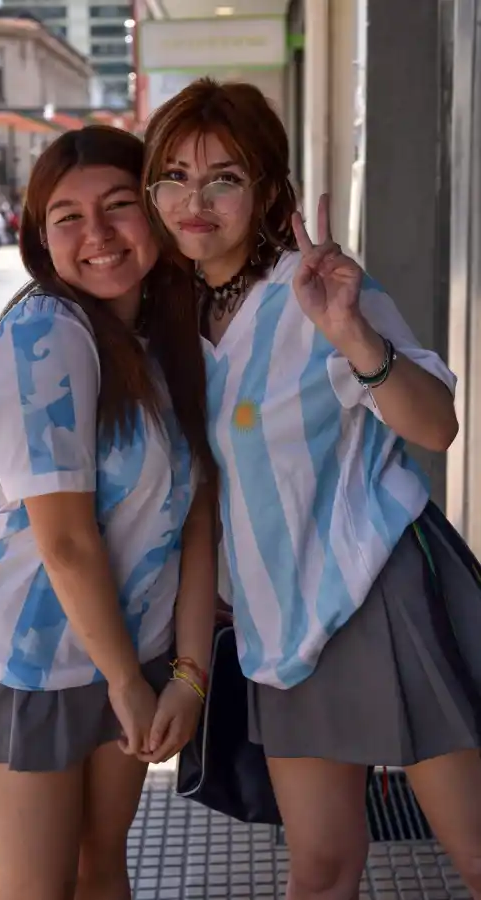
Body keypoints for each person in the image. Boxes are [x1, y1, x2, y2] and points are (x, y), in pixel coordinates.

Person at [143, 78, 481, 900]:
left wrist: (352, 334)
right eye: (174, 177)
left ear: (267, 190)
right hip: (275, 620)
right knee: (321, 869)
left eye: (224, 177)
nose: (195, 202)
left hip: (378, 584)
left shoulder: (317, 288)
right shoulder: (162, 319)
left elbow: (437, 426)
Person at [0, 126, 217, 900]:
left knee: (101, 869)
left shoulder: (161, 338)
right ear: (40, 238)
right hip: (24, 657)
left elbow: (195, 515)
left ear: (154, 209)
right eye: (68, 217)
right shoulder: (46, 331)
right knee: (40, 886)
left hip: (125, 652)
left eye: (118, 204)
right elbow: (67, 541)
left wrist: (187, 673)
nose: (98, 233)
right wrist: (130, 683)